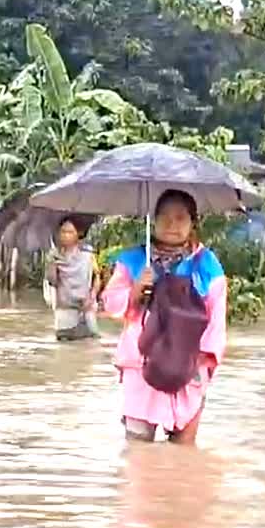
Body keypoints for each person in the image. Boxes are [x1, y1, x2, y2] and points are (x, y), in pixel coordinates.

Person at [100, 190, 227, 445]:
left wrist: (200, 363)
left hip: (190, 366)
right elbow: (111, 304)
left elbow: (216, 320)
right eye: (165, 217)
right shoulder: (134, 260)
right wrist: (135, 291)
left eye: (181, 218)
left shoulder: (207, 264)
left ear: (193, 224)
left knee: (184, 451)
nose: (172, 224)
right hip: (141, 364)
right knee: (137, 452)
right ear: (153, 220)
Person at [45, 216, 100, 341]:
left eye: (70, 232)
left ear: (78, 234)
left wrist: (92, 297)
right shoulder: (55, 257)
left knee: (92, 342)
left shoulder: (87, 256)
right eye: (63, 232)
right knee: (64, 344)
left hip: (86, 306)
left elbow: (97, 278)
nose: (65, 235)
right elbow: (52, 282)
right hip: (65, 308)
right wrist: (52, 266)